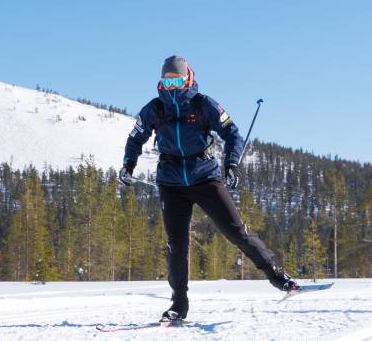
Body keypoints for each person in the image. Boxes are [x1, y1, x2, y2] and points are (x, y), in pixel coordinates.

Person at [119, 55, 299, 324]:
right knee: (176, 245)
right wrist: (128, 165)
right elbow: (135, 138)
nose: (172, 87)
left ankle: (278, 276)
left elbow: (232, 133)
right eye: (167, 82)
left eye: (177, 81)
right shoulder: (155, 108)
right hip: (171, 183)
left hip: (204, 177)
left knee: (236, 231)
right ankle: (178, 304)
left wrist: (231, 164)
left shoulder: (203, 104)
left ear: (188, 78)